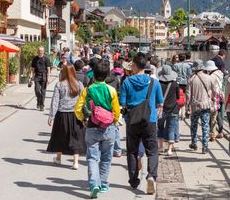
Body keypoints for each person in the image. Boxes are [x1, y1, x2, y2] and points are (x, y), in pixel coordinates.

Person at [75, 60, 120, 198]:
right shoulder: (111, 90)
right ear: (107, 74)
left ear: (93, 73)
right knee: (106, 158)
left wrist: (83, 118)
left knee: (92, 158)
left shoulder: (88, 90)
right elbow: (116, 111)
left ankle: (94, 183)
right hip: (108, 128)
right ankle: (104, 184)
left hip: (92, 127)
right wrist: (114, 121)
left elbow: (77, 108)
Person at [119, 52, 164, 194]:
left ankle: (133, 180)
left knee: (132, 151)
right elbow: (160, 102)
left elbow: (122, 103)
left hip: (132, 120)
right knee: (152, 151)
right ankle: (151, 176)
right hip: (149, 120)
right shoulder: (154, 82)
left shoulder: (127, 82)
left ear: (134, 65)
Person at [47, 65, 86, 169]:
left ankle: (59, 158)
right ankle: (75, 162)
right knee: (76, 137)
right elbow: (84, 100)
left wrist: (51, 116)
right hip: (76, 114)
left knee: (60, 136)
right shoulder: (79, 84)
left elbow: (55, 101)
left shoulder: (59, 85)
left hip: (62, 114)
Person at [186, 59, 218, 154]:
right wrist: (212, 97)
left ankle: (194, 143)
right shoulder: (210, 78)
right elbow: (215, 91)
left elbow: (188, 94)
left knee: (194, 125)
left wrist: (187, 106)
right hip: (206, 104)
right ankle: (205, 146)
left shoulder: (191, 78)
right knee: (205, 125)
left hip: (195, 105)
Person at [157, 65, 180, 156]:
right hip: (173, 109)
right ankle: (169, 150)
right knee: (171, 128)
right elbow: (178, 97)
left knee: (160, 127)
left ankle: (160, 147)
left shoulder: (158, 84)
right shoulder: (175, 84)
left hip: (161, 109)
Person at [203, 60, 224, 142]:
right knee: (215, 115)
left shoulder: (210, 76)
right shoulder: (220, 73)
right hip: (219, 96)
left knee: (209, 115)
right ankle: (215, 133)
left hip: (211, 96)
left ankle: (211, 133)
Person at [30, 46, 52, 111]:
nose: (40, 52)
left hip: (44, 76)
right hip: (37, 76)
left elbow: (48, 69)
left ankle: (41, 105)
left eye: (41, 50)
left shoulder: (46, 59)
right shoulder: (35, 59)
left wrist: (48, 78)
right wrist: (31, 76)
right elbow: (32, 69)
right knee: (37, 90)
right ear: (37, 51)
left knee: (43, 92)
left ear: (43, 51)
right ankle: (38, 100)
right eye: (39, 50)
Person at [174, 53, 192, 119]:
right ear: (184, 58)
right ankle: (184, 112)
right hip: (185, 82)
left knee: (177, 96)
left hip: (177, 82)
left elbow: (173, 73)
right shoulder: (187, 66)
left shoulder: (175, 65)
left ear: (178, 58)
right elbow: (189, 74)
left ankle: (178, 111)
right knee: (184, 96)